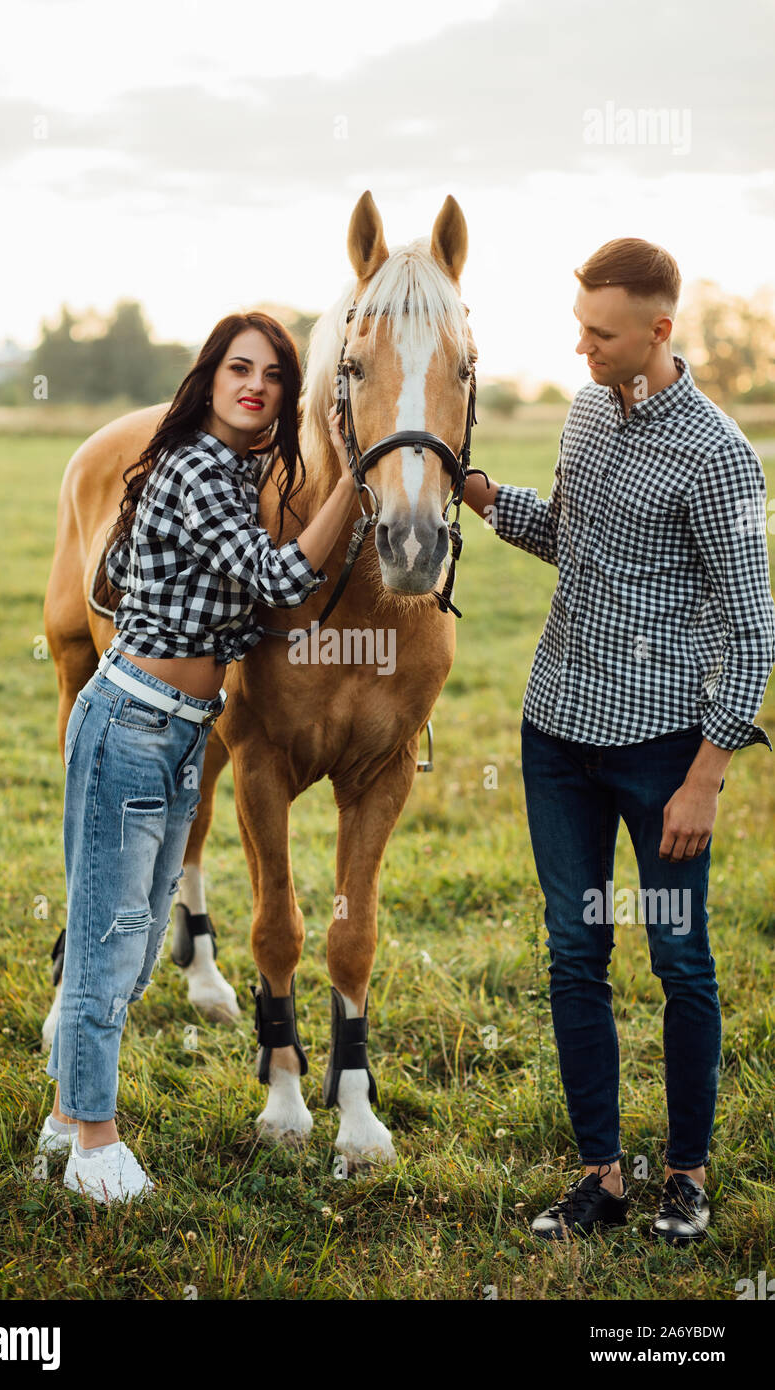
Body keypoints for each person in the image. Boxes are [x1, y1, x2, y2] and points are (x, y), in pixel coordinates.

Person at [463, 239, 775, 1243]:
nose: (579, 345)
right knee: (572, 954)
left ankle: (683, 1175)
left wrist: (705, 774)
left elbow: (753, 626)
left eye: (598, 332)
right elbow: (569, 534)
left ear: (656, 331)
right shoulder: (588, 408)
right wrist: (484, 498)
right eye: (578, 325)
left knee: (679, 962)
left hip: (660, 752)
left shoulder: (720, 456)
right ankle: (600, 1176)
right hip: (555, 732)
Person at [40, 311, 355, 1204]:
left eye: (275, 376)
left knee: (137, 951)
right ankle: (95, 1145)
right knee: (110, 946)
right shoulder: (197, 467)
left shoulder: (242, 471)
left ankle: (64, 1119)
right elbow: (281, 581)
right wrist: (355, 479)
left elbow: (244, 617)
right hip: (133, 721)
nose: (256, 385)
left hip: (182, 733)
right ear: (210, 378)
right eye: (238, 368)